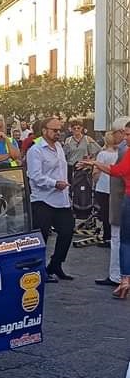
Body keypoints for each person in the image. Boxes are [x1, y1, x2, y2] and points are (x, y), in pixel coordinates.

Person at [82, 119, 130, 299]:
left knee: (123, 241)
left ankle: (121, 278)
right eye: (123, 133)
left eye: (127, 134)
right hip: (121, 197)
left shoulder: (126, 150)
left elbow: (117, 171)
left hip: (124, 198)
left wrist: (94, 163)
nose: (124, 138)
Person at [26, 116, 75, 282]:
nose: (58, 133)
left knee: (67, 231)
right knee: (42, 236)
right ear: (44, 130)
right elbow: (34, 176)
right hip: (43, 199)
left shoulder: (59, 146)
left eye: (59, 130)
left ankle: (55, 264)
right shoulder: (36, 150)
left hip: (61, 199)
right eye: (54, 130)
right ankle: (39, 270)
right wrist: (54, 183)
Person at [92, 131, 119, 247]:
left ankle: (106, 237)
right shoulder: (120, 153)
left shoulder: (102, 154)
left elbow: (96, 171)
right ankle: (114, 236)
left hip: (103, 187)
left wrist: (94, 182)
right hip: (115, 187)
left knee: (105, 213)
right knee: (114, 213)